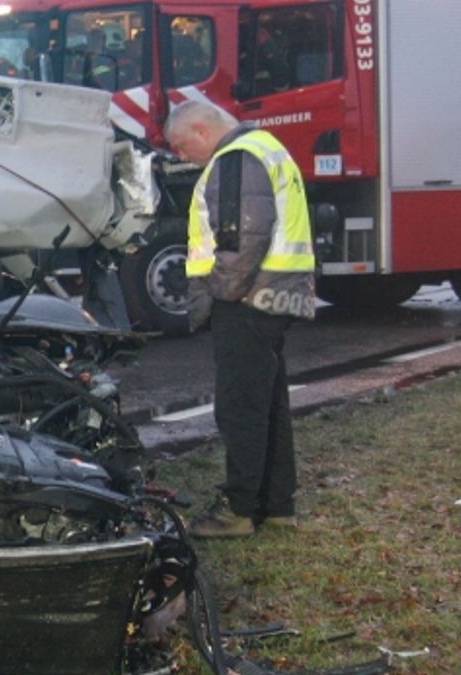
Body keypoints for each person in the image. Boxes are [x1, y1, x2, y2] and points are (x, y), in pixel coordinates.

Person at [162, 101, 316, 538]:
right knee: (269, 406)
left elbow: (242, 237)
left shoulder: (235, 158)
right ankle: (276, 506)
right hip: (274, 295)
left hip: (247, 299)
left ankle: (238, 510)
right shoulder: (267, 147)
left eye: (180, 146)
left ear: (200, 129)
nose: (180, 157)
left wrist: (220, 295)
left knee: (240, 409)